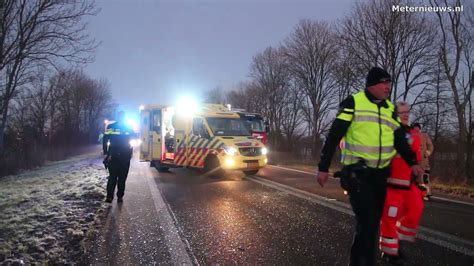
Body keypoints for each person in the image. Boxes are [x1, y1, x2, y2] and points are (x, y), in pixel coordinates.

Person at [316, 67, 424, 266]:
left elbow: (399, 138)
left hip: (380, 176)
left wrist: (413, 163)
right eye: (384, 83)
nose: (388, 87)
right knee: (368, 223)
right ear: (372, 84)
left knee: (372, 225)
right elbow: (334, 136)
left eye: (390, 83)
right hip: (357, 175)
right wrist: (323, 167)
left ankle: (363, 260)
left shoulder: (390, 109)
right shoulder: (353, 103)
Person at [379, 102, 425, 264]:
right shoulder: (389, 131)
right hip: (391, 184)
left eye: (407, 112)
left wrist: (420, 177)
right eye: (402, 113)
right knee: (390, 216)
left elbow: (418, 158)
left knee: (416, 209)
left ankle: (395, 240)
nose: (406, 115)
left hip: (410, 182)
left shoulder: (414, 133)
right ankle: (391, 252)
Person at [102, 111, 133, 203]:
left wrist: (106, 152)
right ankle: (119, 196)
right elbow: (133, 139)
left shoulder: (111, 127)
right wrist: (130, 152)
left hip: (113, 155)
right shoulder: (128, 127)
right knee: (122, 178)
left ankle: (109, 197)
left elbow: (105, 139)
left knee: (112, 177)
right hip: (125, 156)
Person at [412, 123, 434, 200]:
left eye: (417, 128)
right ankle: (417, 193)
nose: (416, 130)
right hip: (414, 160)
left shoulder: (424, 136)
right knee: (416, 178)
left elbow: (430, 146)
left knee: (425, 177)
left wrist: (427, 153)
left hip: (423, 161)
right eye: (415, 128)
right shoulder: (410, 136)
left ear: (420, 129)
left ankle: (427, 193)